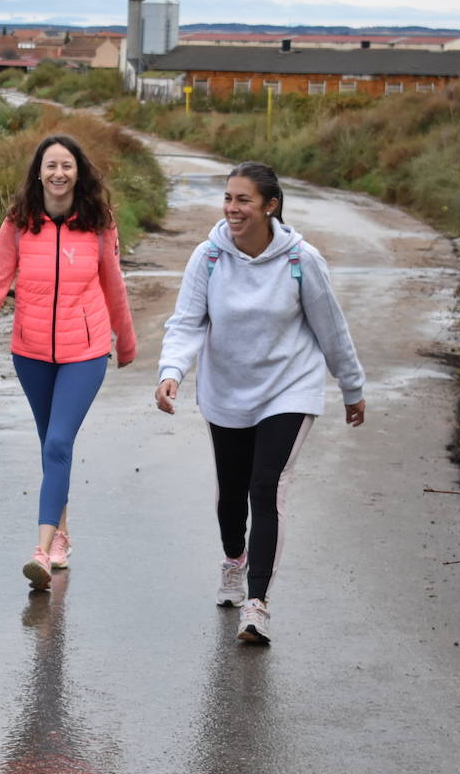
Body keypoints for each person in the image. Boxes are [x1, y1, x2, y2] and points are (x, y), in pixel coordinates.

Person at [155, 160, 365, 644]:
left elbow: (332, 330)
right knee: (232, 492)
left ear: (270, 206)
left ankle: (257, 604)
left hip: (289, 386)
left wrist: (351, 387)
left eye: (243, 199)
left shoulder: (301, 260)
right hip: (227, 388)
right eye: (228, 198)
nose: (232, 208)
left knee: (265, 487)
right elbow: (186, 323)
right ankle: (234, 559)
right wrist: (172, 373)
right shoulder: (208, 257)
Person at [0, 133, 136, 590]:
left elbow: (113, 283)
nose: (59, 173)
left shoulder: (98, 222)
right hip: (31, 353)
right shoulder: (19, 223)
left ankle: (41, 550)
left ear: (79, 173)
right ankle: (63, 536)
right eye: (50, 165)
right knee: (50, 447)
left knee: (57, 443)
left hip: (86, 351)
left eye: (67, 166)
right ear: (38, 172)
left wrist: (127, 341)